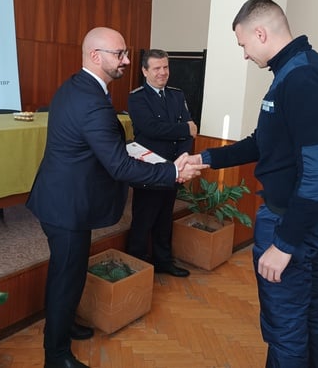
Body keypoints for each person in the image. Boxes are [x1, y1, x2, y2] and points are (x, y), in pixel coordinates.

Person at [185, 0, 318, 368]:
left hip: (292, 219)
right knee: (309, 306)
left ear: (260, 32)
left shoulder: (303, 79)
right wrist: (205, 159)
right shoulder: (294, 71)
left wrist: (285, 243)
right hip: (302, 215)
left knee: (285, 329)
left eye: (243, 44)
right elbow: (265, 142)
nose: (244, 54)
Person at [26, 27, 205, 368]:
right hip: (67, 204)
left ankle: (61, 325)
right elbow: (120, 166)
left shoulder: (77, 85)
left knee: (68, 273)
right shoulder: (92, 101)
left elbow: (104, 148)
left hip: (63, 197)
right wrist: (171, 172)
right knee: (67, 276)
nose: (126, 60)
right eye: (119, 54)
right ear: (95, 56)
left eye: (125, 53)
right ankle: (56, 355)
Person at [126, 49, 197, 277]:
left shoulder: (176, 95)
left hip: (174, 167)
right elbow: (151, 129)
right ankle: (136, 268)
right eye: (157, 68)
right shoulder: (137, 98)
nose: (162, 72)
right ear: (144, 71)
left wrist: (183, 159)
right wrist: (185, 128)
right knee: (144, 219)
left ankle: (163, 261)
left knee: (165, 217)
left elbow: (189, 134)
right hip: (150, 169)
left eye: (165, 67)